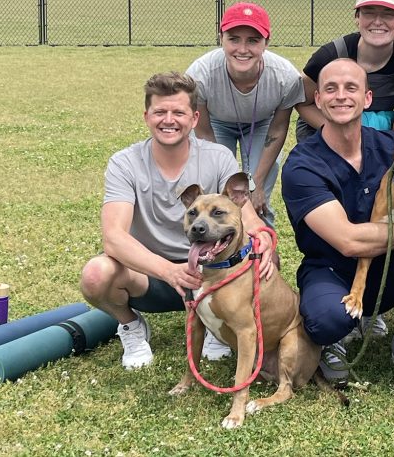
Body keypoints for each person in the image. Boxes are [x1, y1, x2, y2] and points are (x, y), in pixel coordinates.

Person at [79, 72, 275, 369]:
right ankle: (130, 326)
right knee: (96, 275)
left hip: (212, 272)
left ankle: (217, 324)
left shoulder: (219, 157)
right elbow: (114, 238)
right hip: (152, 276)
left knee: (266, 257)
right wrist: (170, 271)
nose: (168, 120)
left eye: (178, 112)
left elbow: (248, 219)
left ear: (195, 118)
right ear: (146, 116)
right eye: (160, 112)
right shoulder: (125, 163)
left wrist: (265, 239)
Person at [282, 58, 394, 382]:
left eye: (351, 88)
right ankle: (336, 338)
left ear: (367, 98)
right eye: (330, 89)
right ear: (317, 100)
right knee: (327, 320)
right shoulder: (303, 165)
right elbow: (348, 242)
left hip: (389, 265)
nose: (341, 96)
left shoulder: (391, 145)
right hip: (333, 268)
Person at [186, 2, 304, 228]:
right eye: (234, 39)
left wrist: (256, 184)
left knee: (259, 197)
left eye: (253, 40)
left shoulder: (285, 76)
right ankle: (216, 250)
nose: (242, 49)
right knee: (216, 191)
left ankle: (264, 251)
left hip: (261, 124)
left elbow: (278, 128)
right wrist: (223, 172)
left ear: (266, 42)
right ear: (221, 38)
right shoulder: (200, 75)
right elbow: (203, 129)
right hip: (215, 123)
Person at [295, 0, 394, 138]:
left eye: (388, 14)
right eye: (369, 13)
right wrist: (342, 134)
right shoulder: (332, 56)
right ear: (357, 18)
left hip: (379, 131)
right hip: (326, 130)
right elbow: (301, 101)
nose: (378, 21)